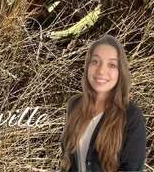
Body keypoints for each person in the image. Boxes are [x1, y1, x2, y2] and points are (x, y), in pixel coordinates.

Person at [60, 35, 147, 172]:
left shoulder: (131, 116)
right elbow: (68, 163)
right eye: (95, 61)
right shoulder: (75, 105)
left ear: (120, 72)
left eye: (111, 65)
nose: (101, 71)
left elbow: (132, 168)